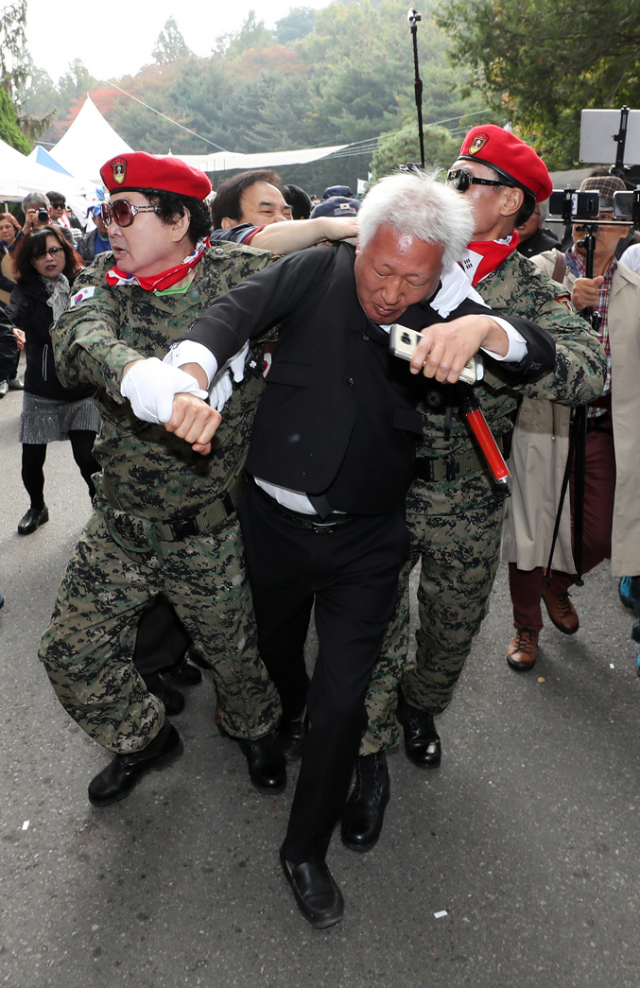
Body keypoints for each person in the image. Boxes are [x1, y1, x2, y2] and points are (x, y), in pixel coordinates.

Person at [160, 170, 557, 928]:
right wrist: (185, 379)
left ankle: (303, 849)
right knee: (280, 664)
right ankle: (285, 723)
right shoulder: (317, 269)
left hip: (368, 543)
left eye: (412, 278)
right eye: (380, 270)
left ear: (439, 269)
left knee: (345, 701)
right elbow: (224, 319)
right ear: (359, 242)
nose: (390, 292)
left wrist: (484, 329)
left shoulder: (445, 306)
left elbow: (532, 350)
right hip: (272, 527)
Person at [341, 126, 607, 856]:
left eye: (469, 178)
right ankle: (366, 759)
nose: (451, 186)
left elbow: (588, 371)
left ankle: (422, 709)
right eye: (452, 173)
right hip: (378, 490)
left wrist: (493, 330)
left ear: (512, 201)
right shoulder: (402, 254)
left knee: (450, 628)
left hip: (465, 496)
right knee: (370, 627)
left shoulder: (527, 285)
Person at [38, 151, 283, 810]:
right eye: (105, 212)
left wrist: (333, 232)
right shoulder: (105, 282)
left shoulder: (237, 277)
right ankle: (142, 738)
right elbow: (78, 341)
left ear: (178, 220)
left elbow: (310, 281)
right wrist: (146, 381)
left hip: (204, 529)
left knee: (234, 659)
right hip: (119, 526)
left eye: (124, 212)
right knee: (69, 653)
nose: (108, 227)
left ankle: (255, 732)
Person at [503, 173, 640, 669]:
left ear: (626, 225)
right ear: (573, 217)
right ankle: (525, 628)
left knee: (603, 530)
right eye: (591, 214)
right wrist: (564, 296)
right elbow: (506, 325)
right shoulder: (543, 267)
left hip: (603, 426)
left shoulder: (633, 284)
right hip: (544, 420)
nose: (601, 226)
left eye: (612, 216)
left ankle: (554, 583)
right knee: (531, 529)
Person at [7, 227, 100, 534]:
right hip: (42, 389)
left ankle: (100, 509)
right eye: (40, 254)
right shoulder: (26, 291)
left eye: (54, 251)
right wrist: (13, 330)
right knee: (32, 460)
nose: (49, 258)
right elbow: (13, 316)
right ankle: (38, 507)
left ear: (65, 251)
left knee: (87, 458)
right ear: (31, 262)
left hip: (82, 387)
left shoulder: (83, 283)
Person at [210, 168, 358, 253]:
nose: (282, 219)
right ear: (229, 226)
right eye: (267, 211)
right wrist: (324, 228)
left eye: (287, 213)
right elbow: (260, 239)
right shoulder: (220, 243)